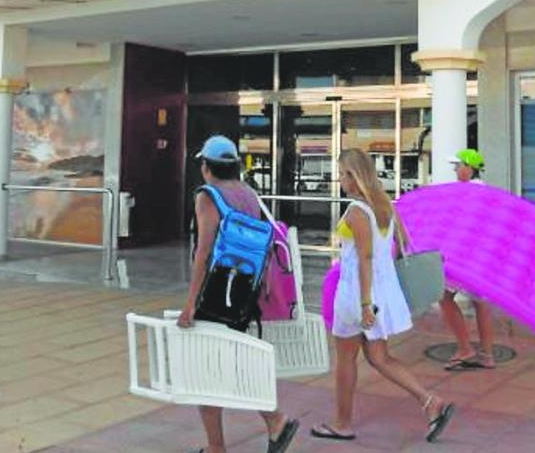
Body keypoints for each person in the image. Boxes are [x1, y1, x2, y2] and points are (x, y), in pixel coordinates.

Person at [311, 148, 455, 443]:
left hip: (357, 294)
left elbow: (364, 258)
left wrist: (365, 304)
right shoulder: (385, 207)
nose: (340, 180)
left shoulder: (356, 211)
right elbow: (398, 249)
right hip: (378, 292)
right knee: (379, 357)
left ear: (354, 176)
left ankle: (342, 423)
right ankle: (430, 401)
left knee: (346, 360)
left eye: (342, 174)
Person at [176, 135, 299, 453]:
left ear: (206, 167)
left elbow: (203, 253)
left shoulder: (208, 196)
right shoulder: (248, 193)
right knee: (228, 361)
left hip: (216, 295)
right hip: (246, 294)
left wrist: (190, 303)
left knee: (205, 370)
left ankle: (238, 437)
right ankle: (272, 422)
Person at [438, 148, 497, 370]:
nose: (455, 170)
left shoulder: (467, 193)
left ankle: (465, 348)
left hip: (464, 256)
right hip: (482, 257)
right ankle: (487, 355)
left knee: (444, 297)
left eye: (458, 166)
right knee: (481, 303)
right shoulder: (486, 192)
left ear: (469, 168)